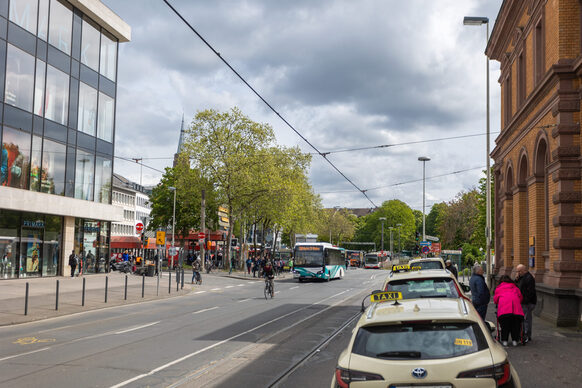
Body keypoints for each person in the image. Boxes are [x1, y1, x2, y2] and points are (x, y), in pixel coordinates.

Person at [494, 275, 524, 346]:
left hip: (504, 311)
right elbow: (520, 298)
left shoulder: (499, 288)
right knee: (515, 326)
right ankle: (515, 341)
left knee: (504, 326)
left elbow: (495, 300)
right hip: (516, 311)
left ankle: (505, 341)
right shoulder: (515, 288)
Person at [515, 264, 536, 343]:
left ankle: (527, 335)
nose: (518, 273)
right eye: (517, 271)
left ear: (524, 270)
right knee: (524, 319)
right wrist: (516, 279)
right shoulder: (522, 277)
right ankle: (524, 334)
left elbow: (530, 292)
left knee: (526, 319)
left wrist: (524, 301)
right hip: (523, 302)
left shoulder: (529, 278)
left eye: (519, 271)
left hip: (527, 303)